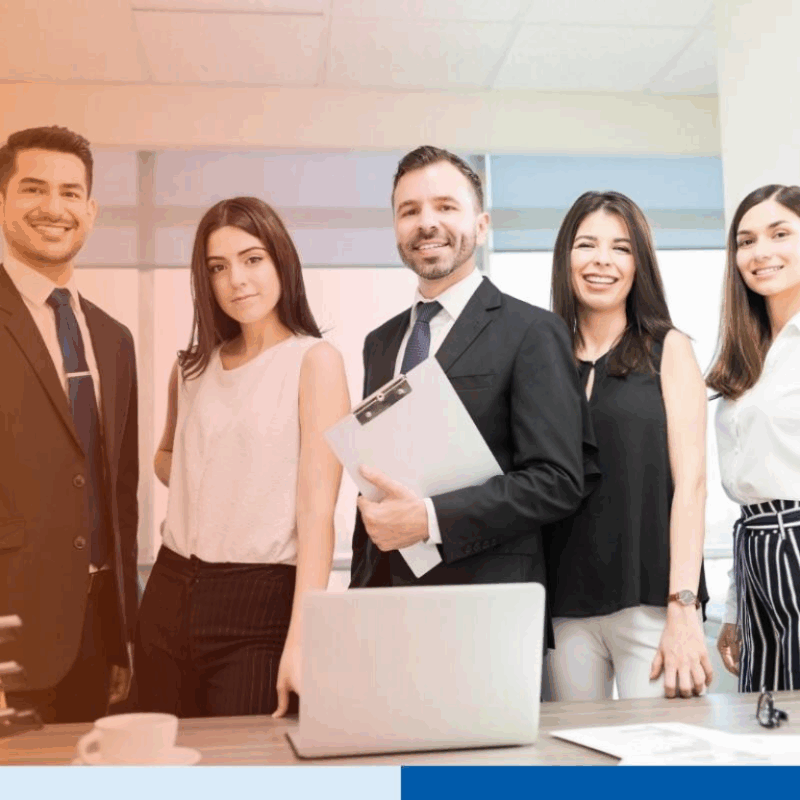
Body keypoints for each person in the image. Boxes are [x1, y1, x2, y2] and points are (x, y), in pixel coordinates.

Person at [134, 196, 349, 718]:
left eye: (252, 259)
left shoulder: (314, 361)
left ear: (281, 261)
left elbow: (316, 515)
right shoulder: (191, 367)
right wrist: (210, 480)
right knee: (157, 760)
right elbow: (167, 457)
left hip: (259, 603)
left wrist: (302, 641)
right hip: (168, 589)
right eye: (218, 267)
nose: (236, 280)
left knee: (248, 758)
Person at [350, 145, 599, 593]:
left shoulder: (532, 331)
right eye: (410, 211)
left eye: (446, 206)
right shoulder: (380, 344)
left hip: (487, 595)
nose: (427, 223)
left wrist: (429, 519)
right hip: (386, 594)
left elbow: (558, 481)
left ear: (481, 226)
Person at [543, 190, 713, 701]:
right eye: (586, 245)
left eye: (621, 248)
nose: (602, 260)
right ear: (565, 257)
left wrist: (683, 606)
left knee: (662, 751)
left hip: (654, 604)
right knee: (569, 751)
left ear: (640, 264)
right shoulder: (541, 357)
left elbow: (692, 486)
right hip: (563, 608)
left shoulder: (670, 349)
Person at [0, 126, 139, 722]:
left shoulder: (113, 338)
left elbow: (120, 496)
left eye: (70, 192)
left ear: (91, 210)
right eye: (34, 188)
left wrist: (122, 636)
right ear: (3, 200)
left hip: (96, 639)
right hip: (9, 638)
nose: (53, 208)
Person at [708, 184, 800, 693]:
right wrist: (735, 606)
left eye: (780, 234)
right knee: (765, 716)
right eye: (746, 241)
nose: (760, 251)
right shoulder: (749, 352)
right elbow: (752, 499)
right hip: (756, 551)